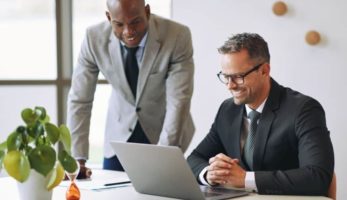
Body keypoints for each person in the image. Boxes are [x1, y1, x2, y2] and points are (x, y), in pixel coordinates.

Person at [187, 33, 334, 196]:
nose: (230, 86)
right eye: (226, 76)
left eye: (238, 76)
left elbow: (317, 177)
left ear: (264, 70)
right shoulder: (228, 110)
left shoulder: (303, 109)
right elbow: (195, 158)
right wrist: (209, 173)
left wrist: (245, 179)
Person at [67, 0, 195, 173]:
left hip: (164, 131)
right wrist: (77, 159)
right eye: (119, 24)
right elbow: (80, 100)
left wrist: (164, 155)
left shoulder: (176, 36)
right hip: (119, 134)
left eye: (135, 21)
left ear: (147, 12)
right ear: (108, 17)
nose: (128, 32)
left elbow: (179, 101)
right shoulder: (93, 38)